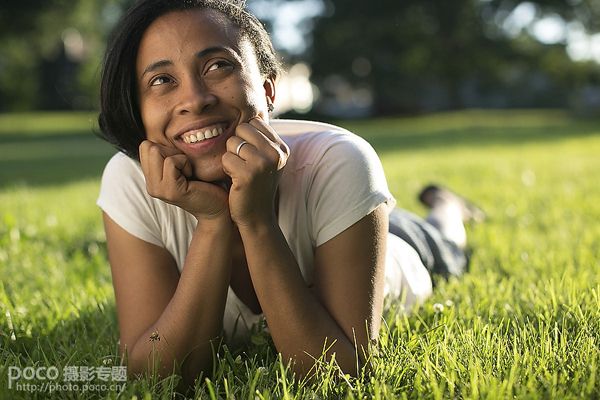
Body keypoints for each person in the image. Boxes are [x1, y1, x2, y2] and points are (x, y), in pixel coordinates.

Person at [96, 0, 482, 387]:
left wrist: (256, 220)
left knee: (444, 239)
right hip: (335, 218)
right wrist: (214, 222)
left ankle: (447, 204)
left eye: (218, 66)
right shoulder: (130, 181)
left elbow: (338, 374)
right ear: (139, 110)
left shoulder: (340, 160)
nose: (195, 100)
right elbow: (151, 375)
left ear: (267, 89)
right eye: (162, 80)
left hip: (392, 241)